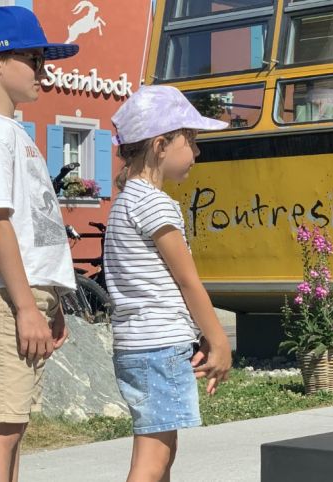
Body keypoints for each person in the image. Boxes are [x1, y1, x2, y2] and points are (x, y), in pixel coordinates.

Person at [0, 6, 79, 481]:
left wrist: (51, 301)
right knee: (1, 425)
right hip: (4, 299)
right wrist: (26, 307)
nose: (44, 72)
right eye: (35, 58)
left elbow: (29, 231)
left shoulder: (12, 132)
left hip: (24, 296)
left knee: (16, 422)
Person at [105, 85, 233, 481]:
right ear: (161, 144)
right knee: (153, 457)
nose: (196, 152)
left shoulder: (125, 202)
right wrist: (219, 340)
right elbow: (187, 281)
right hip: (158, 346)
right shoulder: (156, 203)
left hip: (136, 344)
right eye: (190, 140)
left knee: (161, 449)